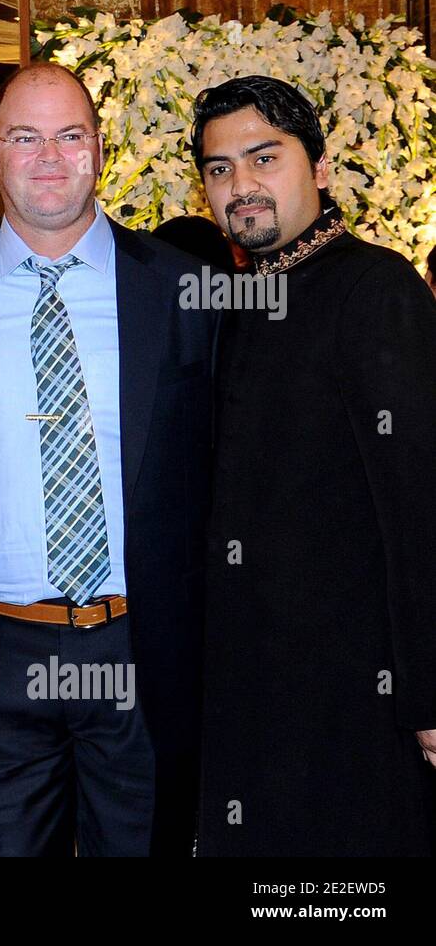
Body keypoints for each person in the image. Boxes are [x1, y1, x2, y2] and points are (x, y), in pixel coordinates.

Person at [0, 63, 215, 856]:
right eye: (25, 137)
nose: (49, 156)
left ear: (99, 150)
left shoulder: (187, 292)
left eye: (70, 135)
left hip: (143, 652)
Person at [193, 75, 436, 856]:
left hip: (357, 692)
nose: (242, 184)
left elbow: (420, 503)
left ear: (321, 168)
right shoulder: (235, 303)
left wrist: (429, 693)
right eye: (221, 168)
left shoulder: (378, 289)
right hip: (252, 686)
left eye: (264, 158)